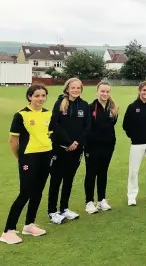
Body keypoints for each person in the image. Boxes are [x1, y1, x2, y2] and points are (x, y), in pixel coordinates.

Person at [1, 85, 54, 245]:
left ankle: (29, 224)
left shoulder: (48, 113)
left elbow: (49, 134)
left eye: (43, 95)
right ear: (29, 97)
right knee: (25, 192)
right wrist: (21, 157)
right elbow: (12, 140)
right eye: (36, 95)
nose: (40, 98)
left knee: (38, 191)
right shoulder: (21, 115)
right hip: (29, 157)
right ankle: (8, 231)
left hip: (46, 155)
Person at [48, 78, 91, 224]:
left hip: (76, 149)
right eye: (73, 87)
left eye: (78, 88)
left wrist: (76, 143)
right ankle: (52, 212)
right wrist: (67, 142)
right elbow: (55, 124)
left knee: (69, 180)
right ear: (67, 88)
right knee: (56, 180)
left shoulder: (84, 105)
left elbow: (86, 127)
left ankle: (64, 208)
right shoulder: (60, 103)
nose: (76, 90)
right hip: (60, 149)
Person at [123, 81, 146, 205]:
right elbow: (126, 125)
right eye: (144, 90)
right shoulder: (133, 107)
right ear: (139, 91)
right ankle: (132, 196)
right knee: (134, 170)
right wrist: (134, 136)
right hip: (137, 144)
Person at [84, 81, 119, 214]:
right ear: (97, 91)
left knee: (103, 172)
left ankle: (101, 200)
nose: (105, 94)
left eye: (107, 91)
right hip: (92, 146)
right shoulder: (90, 107)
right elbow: (87, 127)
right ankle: (89, 202)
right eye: (102, 91)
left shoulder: (113, 108)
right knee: (91, 173)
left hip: (108, 145)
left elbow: (112, 124)